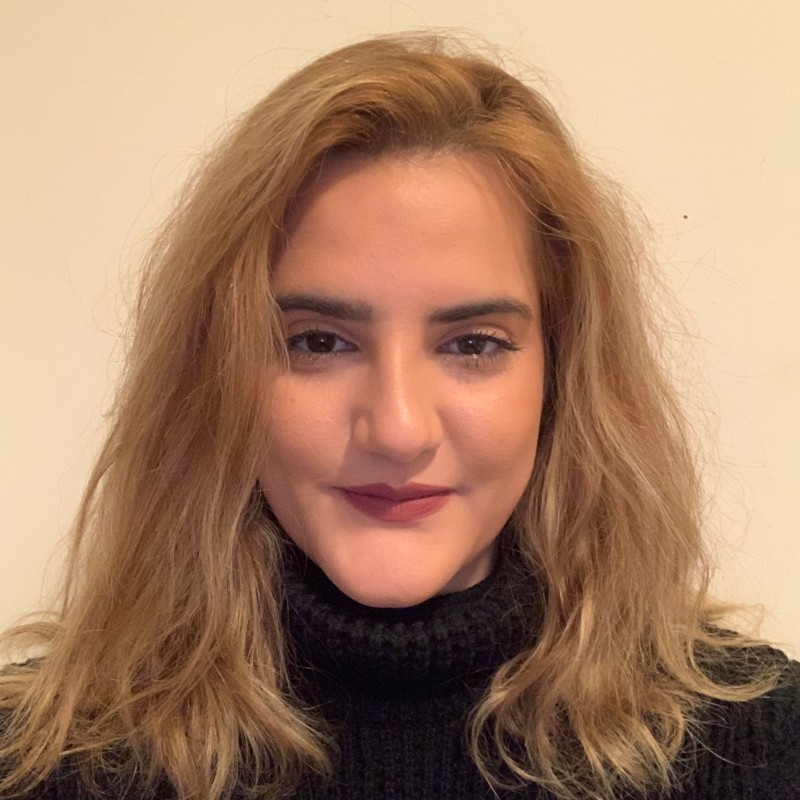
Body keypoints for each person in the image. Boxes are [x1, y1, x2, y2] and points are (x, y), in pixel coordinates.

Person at [1, 32, 798, 800]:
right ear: (217, 376)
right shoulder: (37, 763)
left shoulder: (763, 748)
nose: (399, 430)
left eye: (474, 345)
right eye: (318, 342)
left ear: (563, 376)